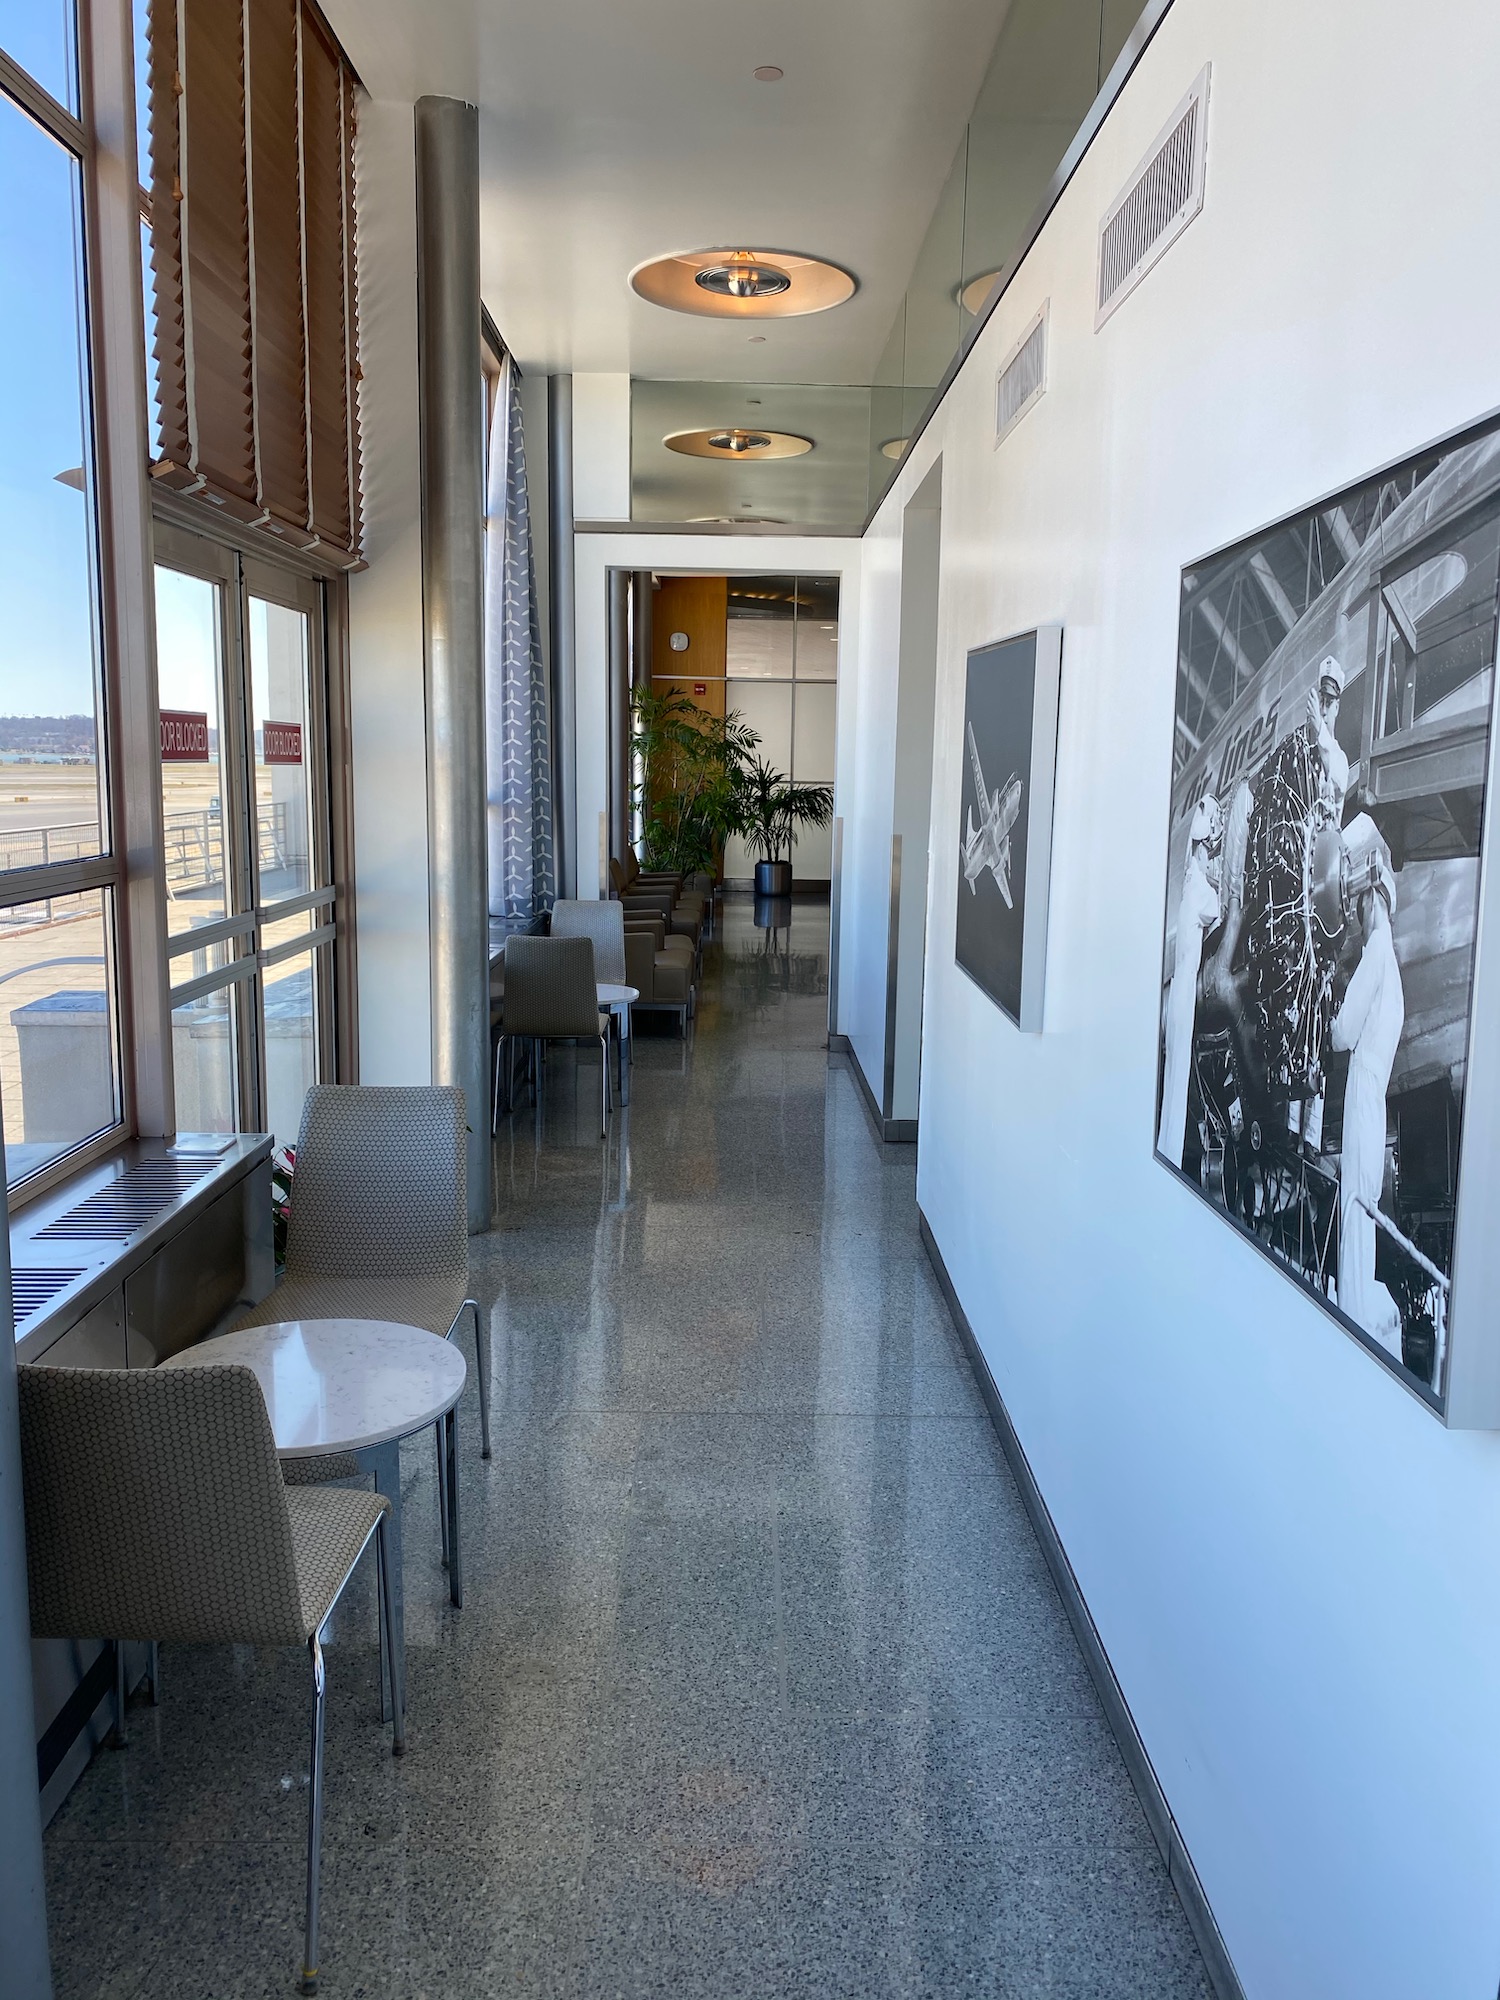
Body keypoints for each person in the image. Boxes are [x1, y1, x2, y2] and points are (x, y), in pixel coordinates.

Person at [1329, 841, 1404, 1355]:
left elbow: (1340, 1034)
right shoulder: (1392, 965)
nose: (1353, 916)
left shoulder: (1376, 954)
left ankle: (1352, 1314)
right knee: (1364, 1207)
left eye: (1356, 905)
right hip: (1374, 1099)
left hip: (1361, 1093)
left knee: (1354, 1208)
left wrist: (1329, 1000)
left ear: (1371, 896)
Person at [1158, 794, 1223, 1169]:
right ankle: (1168, 1152)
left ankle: (1168, 1146)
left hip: (1179, 988)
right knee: (1179, 1072)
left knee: (1177, 1071)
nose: (1208, 858)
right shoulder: (1200, 889)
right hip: (1183, 993)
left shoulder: (1190, 885)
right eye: (1207, 852)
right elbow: (1219, 913)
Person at [1305, 655, 1349, 820]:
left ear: (1336, 708)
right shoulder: (1309, 753)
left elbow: (1337, 782)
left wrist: (1319, 729)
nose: (1323, 710)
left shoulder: (1340, 758)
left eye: (1329, 704)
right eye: (1321, 702)